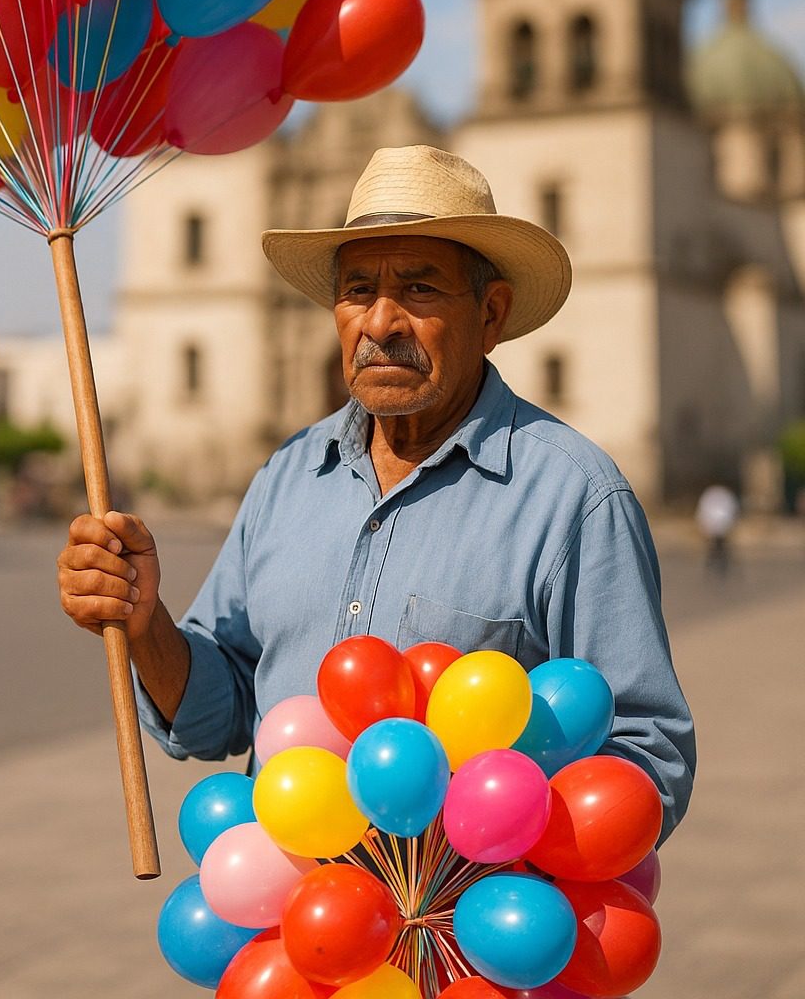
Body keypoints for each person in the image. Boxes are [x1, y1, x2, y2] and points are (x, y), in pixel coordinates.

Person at [58, 145, 696, 839]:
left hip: (471, 904)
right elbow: (221, 714)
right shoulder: (288, 476)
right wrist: (145, 622)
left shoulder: (574, 498)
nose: (380, 323)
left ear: (491, 314)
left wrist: (483, 855)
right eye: (358, 290)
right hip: (288, 904)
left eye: (419, 289)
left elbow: (647, 756)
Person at [695, 481, 740, 575]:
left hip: (720, 527)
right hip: (719, 527)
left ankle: (716, 567)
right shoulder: (717, 495)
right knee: (715, 549)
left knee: (718, 549)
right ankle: (714, 567)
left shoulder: (715, 495)